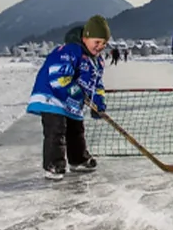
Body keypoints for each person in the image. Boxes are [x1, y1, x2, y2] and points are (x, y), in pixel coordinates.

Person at [26, 15, 110, 180]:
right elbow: (59, 78)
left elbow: (97, 84)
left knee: (76, 129)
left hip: (71, 102)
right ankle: (54, 164)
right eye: (97, 42)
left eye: (104, 43)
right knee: (56, 130)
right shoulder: (69, 51)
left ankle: (78, 160)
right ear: (85, 38)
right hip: (52, 97)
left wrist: (98, 101)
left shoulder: (98, 61)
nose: (100, 47)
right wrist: (76, 93)